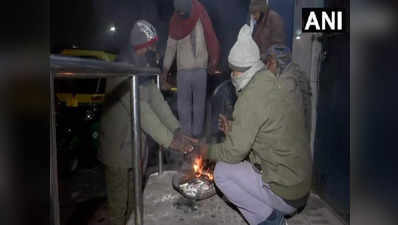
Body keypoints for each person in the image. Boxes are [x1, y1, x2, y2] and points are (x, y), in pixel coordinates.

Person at [198, 25, 312, 225]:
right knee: (241, 166)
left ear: (242, 71)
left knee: (223, 173)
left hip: (286, 194)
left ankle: (273, 221)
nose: (232, 76)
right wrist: (234, 128)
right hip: (299, 185)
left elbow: (234, 153)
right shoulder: (269, 80)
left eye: (233, 71)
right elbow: (269, 128)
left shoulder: (250, 97)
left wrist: (206, 150)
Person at [98, 20, 196, 225]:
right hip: (118, 148)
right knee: (119, 206)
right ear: (142, 45)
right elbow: (142, 110)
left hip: (134, 147)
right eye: (151, 45)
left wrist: (176, 129)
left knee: (135, 202)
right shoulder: (122, 69)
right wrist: (171, 141)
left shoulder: (141, 67)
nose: (154, 50)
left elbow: (158, 103)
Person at [161, 0, 220, 139]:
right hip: (183, 70)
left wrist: (214, 60)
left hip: (201, 68)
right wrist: (165, 69)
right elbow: (170, 47)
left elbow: (210, 36)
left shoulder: (201, 14)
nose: (182, 17)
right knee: (183, 108)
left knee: (199, 107)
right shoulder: (175, 21)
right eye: (179, 14)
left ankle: (197, 138)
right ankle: (187, 140)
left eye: (184, 14)